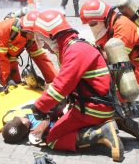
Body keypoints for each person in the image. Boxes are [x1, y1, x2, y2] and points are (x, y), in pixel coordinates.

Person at [30, 10, 124, 162]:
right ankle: (112, 122)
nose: (45, 46)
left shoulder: (75, 51)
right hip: (98, 103)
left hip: (93, 108)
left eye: (43, 40)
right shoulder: (75, 46)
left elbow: (60, 87)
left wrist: (39, 107)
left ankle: (101, 133)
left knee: (53, 139)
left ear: (52, 36)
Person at [80, 0, 139, 140]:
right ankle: (127, 96)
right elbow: (102, 48)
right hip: (135, 60)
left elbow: (116, 58)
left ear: (102, 18)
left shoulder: (123, 26)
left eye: (92, 23)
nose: (91, 27)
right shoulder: (109, 24)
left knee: (107, 86)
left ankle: (124, 102)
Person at [0, 11, 57, 95]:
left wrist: (55, 82)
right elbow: (0, 57)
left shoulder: (31, 38)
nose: (38, 37)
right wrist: (7, 80)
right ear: (27, 30)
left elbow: (42, 59)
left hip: (9, 55)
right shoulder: (5, 27)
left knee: (17, 85)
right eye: (35, 34)